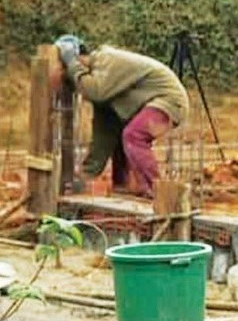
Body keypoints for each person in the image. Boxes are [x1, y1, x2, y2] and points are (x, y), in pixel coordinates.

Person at [53, 36, 188, 199]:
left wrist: (72, 65)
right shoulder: (104, 89)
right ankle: (123, 187)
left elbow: (95, 91)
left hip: (169, 100)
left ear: (77, 57)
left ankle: (162, 192)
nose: (72, 76)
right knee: (120, 135)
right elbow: (103, 138)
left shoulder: (107, 61)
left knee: (133, 135)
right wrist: (84, 176)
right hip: (150, 102)